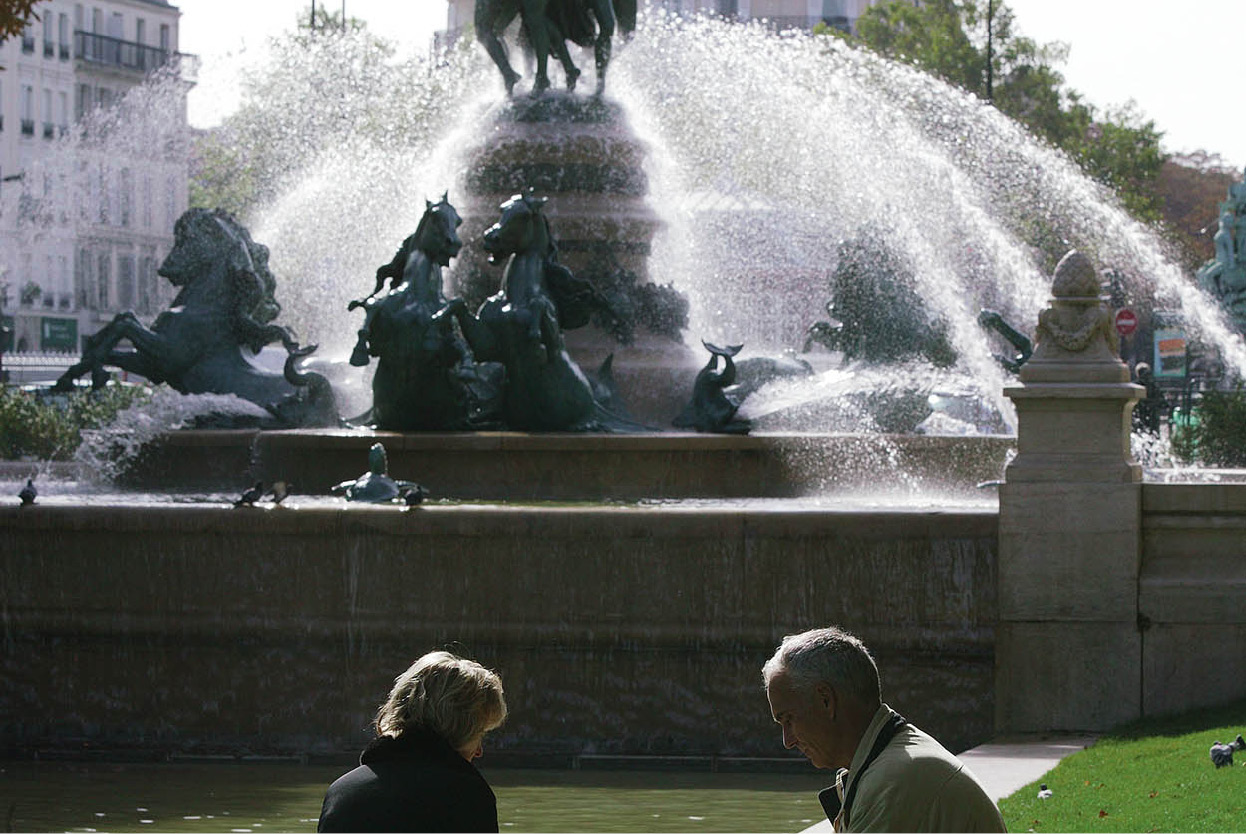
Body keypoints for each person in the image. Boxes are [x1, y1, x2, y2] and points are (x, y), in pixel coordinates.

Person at [762, 627, 1006, 833]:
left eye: (789, 719)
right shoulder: (893, 760)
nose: (788, 740)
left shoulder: (891, 785)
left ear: (826, 700)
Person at [318, 651, 508, 833]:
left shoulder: (341, 792)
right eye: (479, 733)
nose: (479, 751)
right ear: (460, 729)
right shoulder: (467, 796)